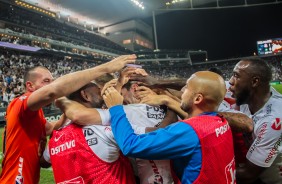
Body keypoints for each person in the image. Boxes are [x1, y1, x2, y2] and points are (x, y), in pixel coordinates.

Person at [0, 54, 136, 184]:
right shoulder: (19, 103)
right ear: (30, 86)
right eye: (46, 81)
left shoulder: (35, 114)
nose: (51, 84)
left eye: (52, 81)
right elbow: (53, 91)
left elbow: (52, 127)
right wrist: (105, 68)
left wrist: (67, 105)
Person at [103, 71, 236, 183]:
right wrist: (166, 100)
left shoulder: (189, 131)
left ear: (197, 99)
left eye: (186, 88)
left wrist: (116, 108)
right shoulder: (221, 122)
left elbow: (131, 145)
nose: (182, 91)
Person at [55, 72, 177, 184]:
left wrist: (60, 100)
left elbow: (78, 115)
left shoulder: (123, 113)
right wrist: (170, 104)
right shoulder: (178, 106)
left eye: (120, 94)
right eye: (100, 92)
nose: (106, 96)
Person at [41, 82, 136, 184]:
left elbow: (44, 162)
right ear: (85, 95)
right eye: (99, 92)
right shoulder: (104, 127)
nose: (103, 97)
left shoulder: (56, 136)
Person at [229, 57, 282, 184]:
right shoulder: (249, 94)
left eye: (236, 75)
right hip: (260, 174)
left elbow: (248, 175)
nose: (230, 81)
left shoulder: (273, 119)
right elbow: (203, 87)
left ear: (254, 82)